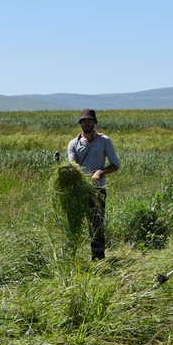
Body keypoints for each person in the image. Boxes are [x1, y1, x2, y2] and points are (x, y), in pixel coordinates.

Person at [67, 109, 120, 260]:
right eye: (84, 120)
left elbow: (115, 164)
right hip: (78, 190)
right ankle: (72, 256)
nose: (87, 123)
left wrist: (100, 172)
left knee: (96, 224)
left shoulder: (105, 141)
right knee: (73, 223)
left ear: (95, 122)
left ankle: (98, 258)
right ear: (80, 123)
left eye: (89, 120)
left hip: (97, 190)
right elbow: (72, 165)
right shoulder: (73, 143)